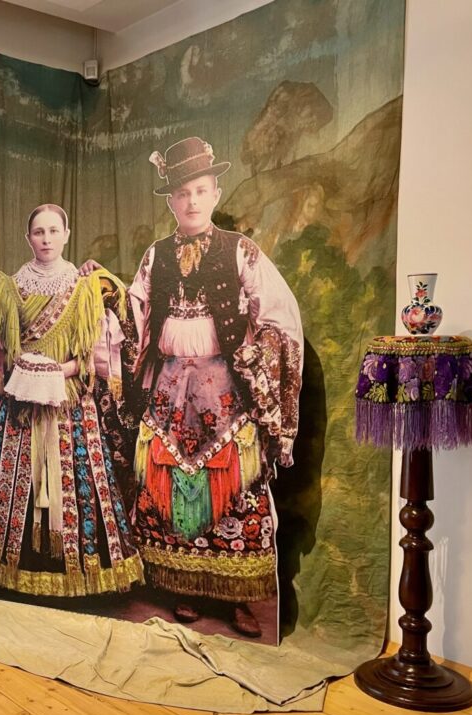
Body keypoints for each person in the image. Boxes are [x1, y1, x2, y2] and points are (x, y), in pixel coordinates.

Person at [96, 138, 303, 637]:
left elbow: (278, 316)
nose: (191, 201)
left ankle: (235, 597)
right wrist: (101, 297)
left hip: (224, 394)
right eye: (181, 193)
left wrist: (260, 355)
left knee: (232, 486)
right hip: (168, 392)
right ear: (169, 201)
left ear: (215, 193)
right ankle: (183, 590)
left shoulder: (241, 251)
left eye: (200, 190)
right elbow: (135, 316)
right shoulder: (156, 256)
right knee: (168, 486)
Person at [0, 204, 144, 598]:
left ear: (66, 234)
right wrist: (24, 371)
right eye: (38, 232)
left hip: (69, 405)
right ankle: (10, 573)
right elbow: (3, 351)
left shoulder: (85, 289)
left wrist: (61, 372)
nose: (45, 239)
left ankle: (80, 580)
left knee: (74, 483)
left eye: (53, 231)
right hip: (19, 406)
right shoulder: (8, 287)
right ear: (28, 238)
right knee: (13, 479)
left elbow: (95, 357)